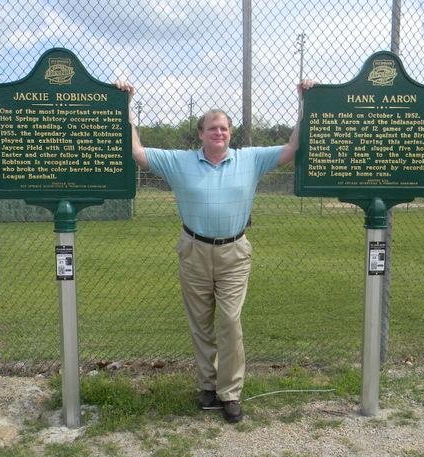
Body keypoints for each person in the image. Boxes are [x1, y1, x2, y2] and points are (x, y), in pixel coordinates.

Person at [116, 79, 316, 423]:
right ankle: (208, 387)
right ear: (201, 133)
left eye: (224, 128)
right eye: (212, 128)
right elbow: (138, 152)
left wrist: (305, 103)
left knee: (230, 320)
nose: (218, 133)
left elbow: (290, 150)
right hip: (193, 249)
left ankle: (230, 392)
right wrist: (126, 104)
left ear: (230, 132)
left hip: (234, 252)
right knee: (200, 324)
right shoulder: (180, 162)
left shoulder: (249, 159)